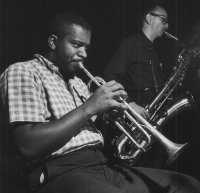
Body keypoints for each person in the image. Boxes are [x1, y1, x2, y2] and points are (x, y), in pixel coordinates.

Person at [1, 11, 200, 193]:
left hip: (100, 164)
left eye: (86, 47)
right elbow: (28, 146)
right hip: (60, 171)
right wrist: (90, 107)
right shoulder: (24, 71)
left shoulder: (79, 83)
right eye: (76, 45)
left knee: (187, 185)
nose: (84, 54)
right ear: (53, 42)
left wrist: (111, 116)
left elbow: (89, 131)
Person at [103, 4, 172, 168]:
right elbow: (109, 76)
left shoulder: (154, 52)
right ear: (149, 18)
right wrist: (131, 103)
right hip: (135, 121)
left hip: (153, 120)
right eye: (164, 20)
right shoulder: (131, 43)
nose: (167, 26)